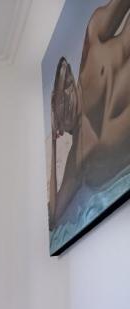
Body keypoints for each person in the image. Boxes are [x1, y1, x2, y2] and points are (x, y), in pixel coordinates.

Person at [48, 0, 130, 230]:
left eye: (66, 83)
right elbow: (54, 217)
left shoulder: (94, 42)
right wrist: (54, 149)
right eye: (58, 103)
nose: (66, 97)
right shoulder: (78, 160)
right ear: (57, 124)